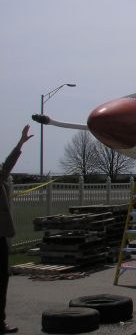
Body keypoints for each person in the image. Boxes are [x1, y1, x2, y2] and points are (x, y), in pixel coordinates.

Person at [1, 125, 33, 334]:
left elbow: (8, 165)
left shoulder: (1, 177)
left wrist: (21, 143)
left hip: (1, 237)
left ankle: (0, 321)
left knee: (2, 280)